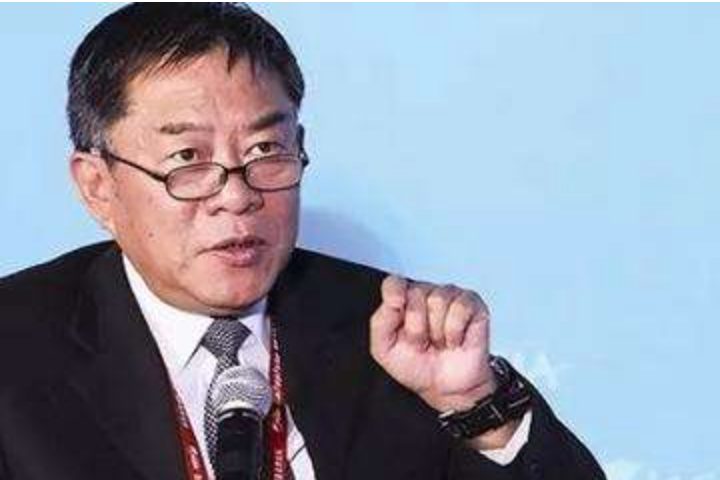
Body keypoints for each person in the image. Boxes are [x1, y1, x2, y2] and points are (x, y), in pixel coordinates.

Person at [0, 3, 605, 480]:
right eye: (188, 158)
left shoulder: (391, 333)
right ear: (97, 186)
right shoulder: (15, 349)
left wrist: (476, 407)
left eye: (266, 149)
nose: (237, 195)